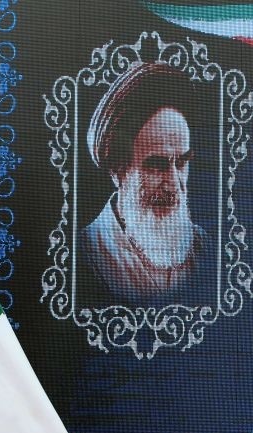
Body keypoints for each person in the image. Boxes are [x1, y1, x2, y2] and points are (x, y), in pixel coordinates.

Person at [81, 62, 208, 303]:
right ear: (118, 170)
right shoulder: (84, 253)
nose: (173, 185)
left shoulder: (204, 248)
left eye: (181, 163)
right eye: (156, 165)